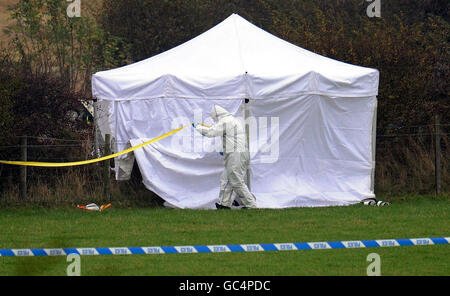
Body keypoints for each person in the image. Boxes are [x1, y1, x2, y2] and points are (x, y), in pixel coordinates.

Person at [193, 105, 257, 209]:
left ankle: (251, 205)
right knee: (226, 179)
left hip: (236, 154)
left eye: (214, 118)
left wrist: (197, 127)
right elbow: (230, 137)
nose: (214, 120)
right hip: (236, 153)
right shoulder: (232, 120)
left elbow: (211, 132)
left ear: (217, 115)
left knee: (236, 181)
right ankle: (224, 204)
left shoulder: (226, 121)